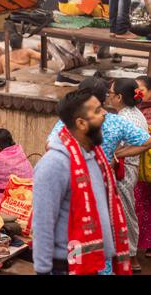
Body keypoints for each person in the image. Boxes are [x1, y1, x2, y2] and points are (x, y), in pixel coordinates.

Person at [34, 89, 131, 275]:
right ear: (81, 123)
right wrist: (43, 270)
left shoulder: (95, 156)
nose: (104, 114)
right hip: (66, 266)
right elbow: (43, 224)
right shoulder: (54, 164)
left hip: (90, 263)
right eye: (97, 111)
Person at [48, 77, 151, 162]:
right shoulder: (117, 122)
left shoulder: (69, 119)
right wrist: (114, 155)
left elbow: (50, 145)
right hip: (101, 176)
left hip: (79, 174)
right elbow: (147, 141)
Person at [107, 78, 147, 272]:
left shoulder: (124, 118)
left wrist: (117, 154)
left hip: (124, 170)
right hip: (130, 169)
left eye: (111, 94)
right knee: (127, 211)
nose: (109, 97)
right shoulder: (135, 113)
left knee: (124, 212)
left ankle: (130, 256)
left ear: (119, 97)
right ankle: (130, 255)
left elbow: (143, 143)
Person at [134, 75, 151, 259]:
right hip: (140, 167)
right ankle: (143, 243)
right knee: (141, 203)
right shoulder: (135, 111)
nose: (137, 94)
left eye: (141, 90)